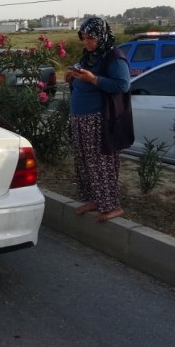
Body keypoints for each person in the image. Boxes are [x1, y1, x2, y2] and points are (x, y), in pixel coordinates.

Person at [65, 16, 132, 223]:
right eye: (83, 38)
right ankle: (96, 200)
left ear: (101, 36)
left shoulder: (113, 57)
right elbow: (81, 71)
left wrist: (93, 79)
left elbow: (123, 85)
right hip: (81, 118)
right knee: (85, 162)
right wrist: (72, 76)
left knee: (100, 163)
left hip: (98, 120)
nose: (86, 42)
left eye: (90, 38)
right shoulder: (89, 56)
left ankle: (112, 206)